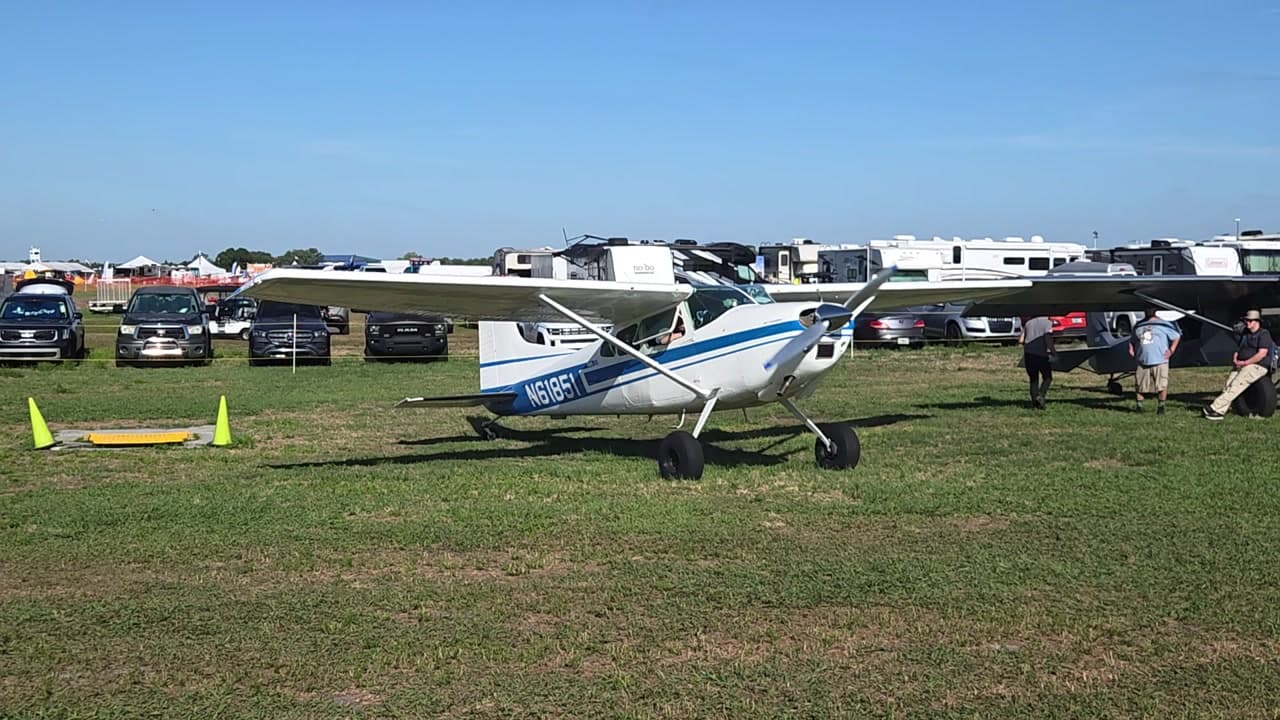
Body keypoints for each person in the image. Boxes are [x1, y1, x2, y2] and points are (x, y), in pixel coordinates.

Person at [1204, 309, 1274, 420]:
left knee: (1237, 384)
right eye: (1246, 320)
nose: (1247, 323)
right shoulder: (1245, 334)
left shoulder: (1263, 334)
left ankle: (1214, 407)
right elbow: (1240, 348)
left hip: (1256, 365)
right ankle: (1220, 411)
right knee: (1229, 385)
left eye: (1250, 321)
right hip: (1241, 364)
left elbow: (1262, 354)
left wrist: (1246, 363)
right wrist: (1236, 359)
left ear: (1257, 321)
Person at [1128, 309, 1181, 414]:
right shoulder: (1138, 325)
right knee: (1140, 385)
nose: (1149, 311)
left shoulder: (1164, 324)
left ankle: (1161, 406)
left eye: (1151, 308)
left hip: (1160, 360)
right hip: (1142, 361)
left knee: (1162, 384)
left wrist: (1171, 350)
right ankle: (1139, 406)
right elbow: (1132, 339)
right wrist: (1131, 348)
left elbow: (1176, 336)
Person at [1018, 315, 1056, 409]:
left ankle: (1035, 403)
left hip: (1028, 355)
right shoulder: (1047, 323)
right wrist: (1053, 352)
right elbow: (1048, 339)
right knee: (1047, 377)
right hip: (1041, 354)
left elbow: (1021, 340)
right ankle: (1041, 395)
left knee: (1033, 379)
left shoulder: (1028, 323)